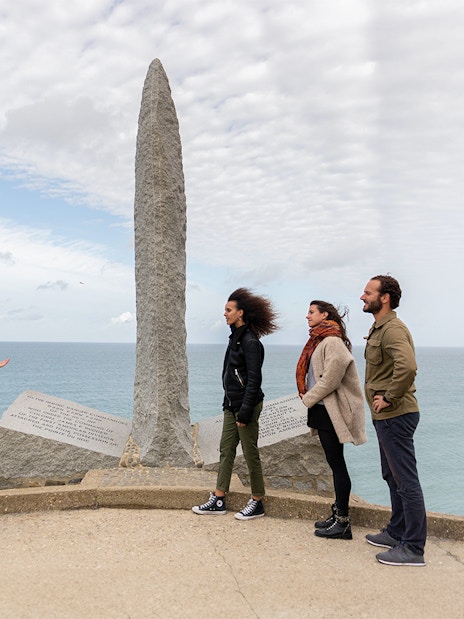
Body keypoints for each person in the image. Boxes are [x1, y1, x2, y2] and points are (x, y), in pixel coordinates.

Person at [192, 288, 279, 520]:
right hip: (231, 405)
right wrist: (228, 403)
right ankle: (219, 498)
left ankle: (257, 501)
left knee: (250, 454)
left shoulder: (250, 342)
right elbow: (231, 376)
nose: (225, 314)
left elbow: (253, 381)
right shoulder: (236, 338)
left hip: (245, 407)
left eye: (228, 310)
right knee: (226, 451)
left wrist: (245, 411)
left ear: (241, 313)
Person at [361, 275, 427, 566]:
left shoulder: (393, 329)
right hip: (385, 417)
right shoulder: (379, 328)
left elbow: (408, 365)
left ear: (384, 297)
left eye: (368, 292)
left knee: (406, 481)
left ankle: (413, 548)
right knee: (392, 477)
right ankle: (397, 531)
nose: (362, 297)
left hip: (396, 415)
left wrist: (388, 396)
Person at [296, 300, 367, 540]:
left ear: (325, 315)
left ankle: (343, 522)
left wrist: (306, 399)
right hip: (323, 408)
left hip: (330, 410)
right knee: (334, 462)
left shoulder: (332, 342)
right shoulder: (321, 340)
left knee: (337, 464)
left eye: (311, 312)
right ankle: (338, 514)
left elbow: (330, 380)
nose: (307, 316)